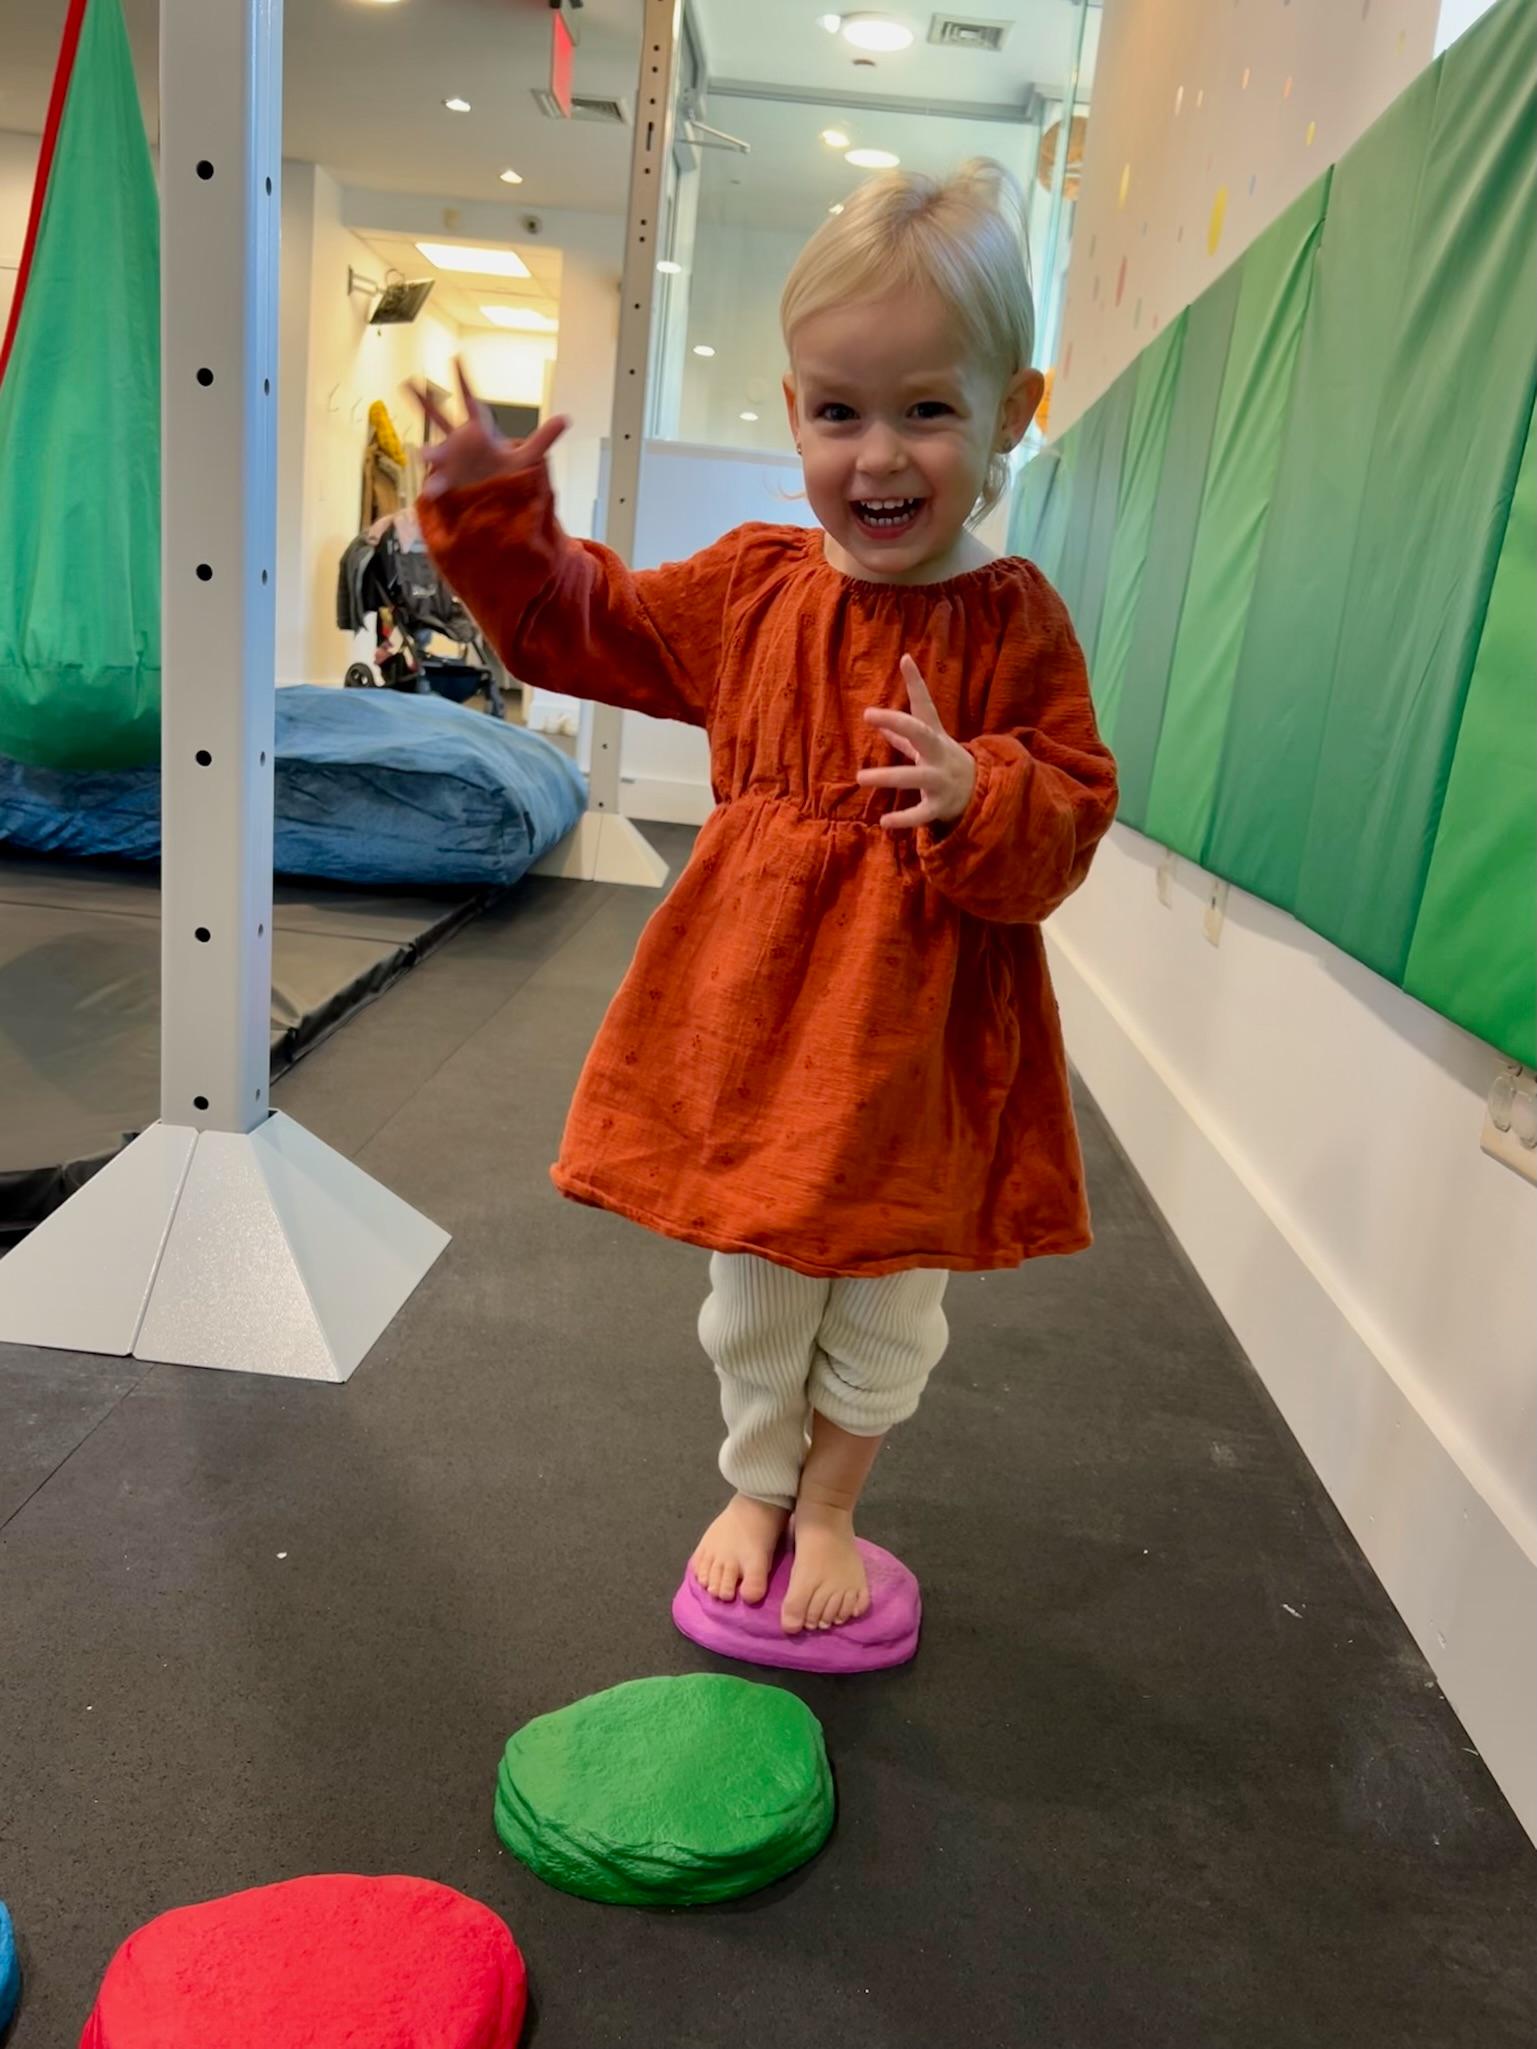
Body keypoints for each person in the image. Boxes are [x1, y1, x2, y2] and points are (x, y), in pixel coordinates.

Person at [415, 160, 1118, 1639]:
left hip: (918, 1047)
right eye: (838, 411)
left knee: (889, 1303)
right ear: (793, 410)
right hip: (759, 1025)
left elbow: (1071, 812)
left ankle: (835, 1502)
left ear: (1011, 409)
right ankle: (754, 1481)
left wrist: (977, 790)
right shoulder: (754, 589)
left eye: (927, 409)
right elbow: (584, 624)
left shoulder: (1015, 620)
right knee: (755, 1295)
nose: (879, 453)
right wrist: (492, 522)